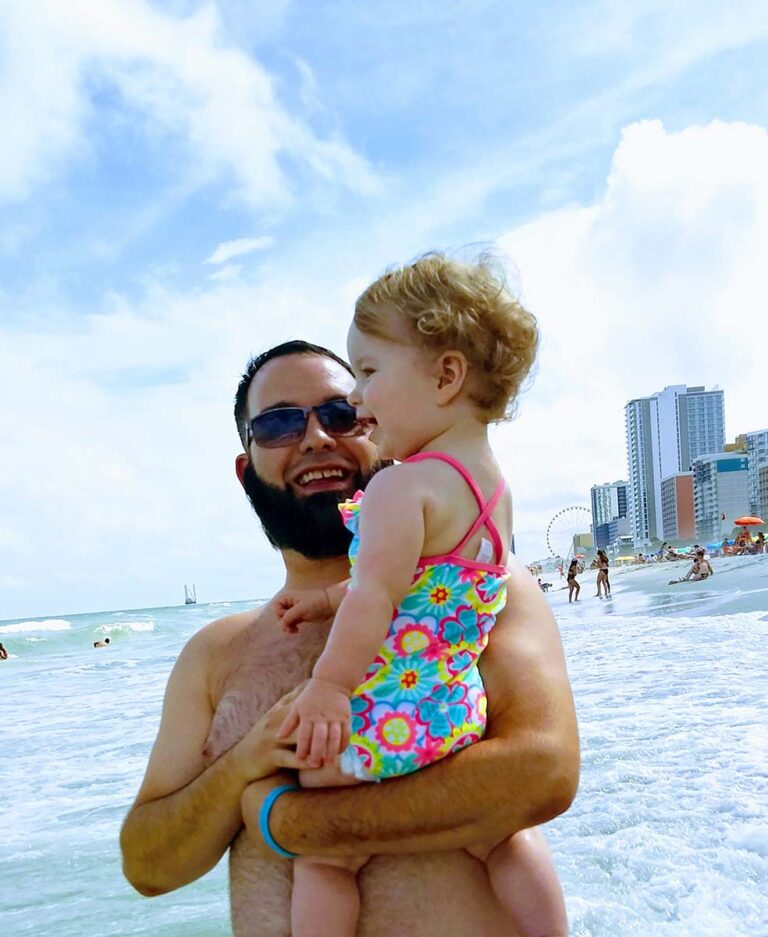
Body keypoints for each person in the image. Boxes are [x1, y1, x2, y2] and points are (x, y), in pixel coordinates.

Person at [120, 337, 579, 937]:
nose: (315, 439)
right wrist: (243, 765)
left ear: (377, 426)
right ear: (245, 469)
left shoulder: (480, 586)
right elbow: (149, 866)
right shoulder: (216, 654)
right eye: (280, 423)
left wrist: (287, 820)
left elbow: (543, 772)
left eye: (340, 415)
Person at [266, 255, 565, 937]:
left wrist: (331, 687)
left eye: (368, 372)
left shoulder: (401, 487)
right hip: (458, 717)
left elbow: (378, 595)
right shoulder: (492, 489)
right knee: (505, 840)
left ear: (446, 374)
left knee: (326, 858)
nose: (358, 403)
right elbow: (426, 584)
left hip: (385, 722)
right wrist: (329, 598)